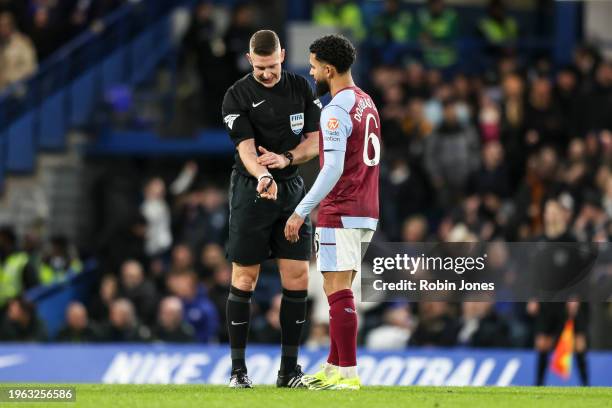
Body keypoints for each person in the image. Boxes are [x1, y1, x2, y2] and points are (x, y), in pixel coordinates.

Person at [221, 29, 322, 388]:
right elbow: (246, 150)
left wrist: (287, 158)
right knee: (244, 278)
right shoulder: (237, 96)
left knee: (297, 278)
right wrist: (265, 175)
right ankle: (238, 372)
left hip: (292, 187)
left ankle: (288, 372)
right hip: (253, 189)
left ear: (282, 55)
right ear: (251, 60)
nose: (266, 73)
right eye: (260, 67)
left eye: (272, 65)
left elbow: (314, 142)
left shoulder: (300, 88)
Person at [286, 34, 382, 390]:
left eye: (313, 67)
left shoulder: (336, 110)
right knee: (334, 288)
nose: (311, 73)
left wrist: (301, 211)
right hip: (366, 209)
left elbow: (332, 169)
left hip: (340, 209)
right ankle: (333, 366)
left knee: (339, 290)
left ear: (328, 69)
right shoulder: (366, 102)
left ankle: (349, 375)